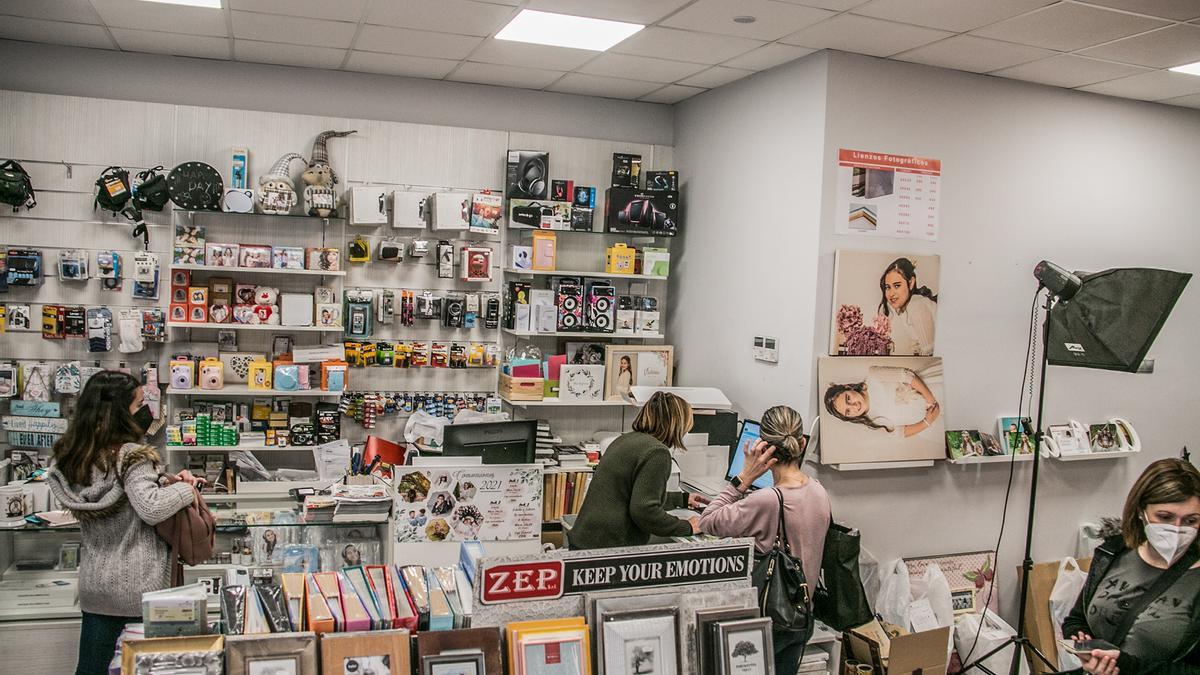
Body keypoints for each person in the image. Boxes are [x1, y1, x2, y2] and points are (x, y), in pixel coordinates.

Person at [47, 371, 200, 675]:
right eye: (139, 404)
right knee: (148, 667)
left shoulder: (73, 456)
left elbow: (130, 497)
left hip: (96, 589)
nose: (146, 412)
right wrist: (186, 489)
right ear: (119, 411)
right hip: (139, 587)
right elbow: (151, 507)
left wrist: (161, 482)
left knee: (91, 668)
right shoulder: (132, 456)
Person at [698, 406, 831, 675]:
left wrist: (744, 478)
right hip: (802, 616)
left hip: (770, 619)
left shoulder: (768, 500)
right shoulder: (818, 490)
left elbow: (707, 520)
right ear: (801, 444)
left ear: (762, 448)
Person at [1063, 458, 1200, 675]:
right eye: (1165, 517)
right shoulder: (1113, 552)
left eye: (1191, 521)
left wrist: (1126, 667)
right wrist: (1083, 642)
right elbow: (1077, 619)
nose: (1177, 529)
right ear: (1140, 511)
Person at [571, 392, 704, 548]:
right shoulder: (657, 452)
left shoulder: (626, 439)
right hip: (608, 548)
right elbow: (645, 512)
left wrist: (681, 500)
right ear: (677, 425)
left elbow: (634, 495)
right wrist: (687, 527)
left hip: (587, 540)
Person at [824, 364, 942, 438]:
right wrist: (928, 421)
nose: (854, 406)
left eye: (848, 398)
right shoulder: (872, 423)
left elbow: (908, 376)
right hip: (933, 421)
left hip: (932, 390)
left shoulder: (873, 376)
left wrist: (931, 401)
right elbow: (901, 433)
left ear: (848, 387)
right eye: (848, 411)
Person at [878, 257, 937, 356]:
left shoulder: (917, 305)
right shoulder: (904, 309)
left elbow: (931, 354)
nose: (891, 293)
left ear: (911, 283)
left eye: (897, 286)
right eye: (887, 287)